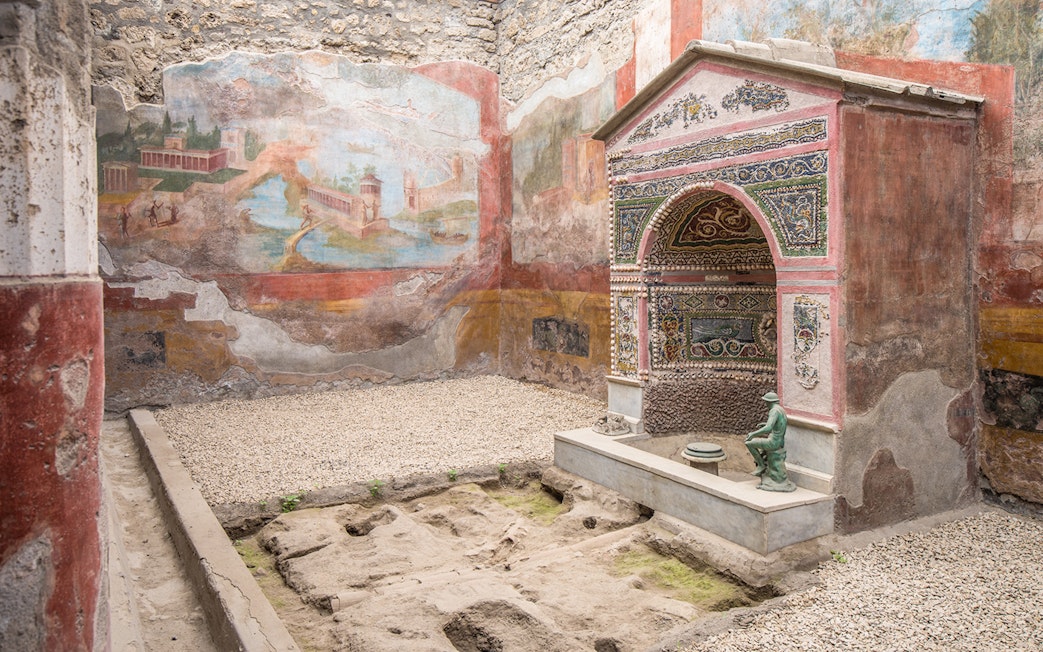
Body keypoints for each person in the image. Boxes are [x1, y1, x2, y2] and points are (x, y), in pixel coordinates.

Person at [745, 391, 796, 492]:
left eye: (765, 402)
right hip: (779, 441)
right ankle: (765, 467)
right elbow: (777, 425)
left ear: (768, 402)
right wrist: (765, 425)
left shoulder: (774, 411)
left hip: (773, 442)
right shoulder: (780, 410)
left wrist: (753, 434)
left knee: (749, 443)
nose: (765, 404)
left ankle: (761, 465)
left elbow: (769, 428)